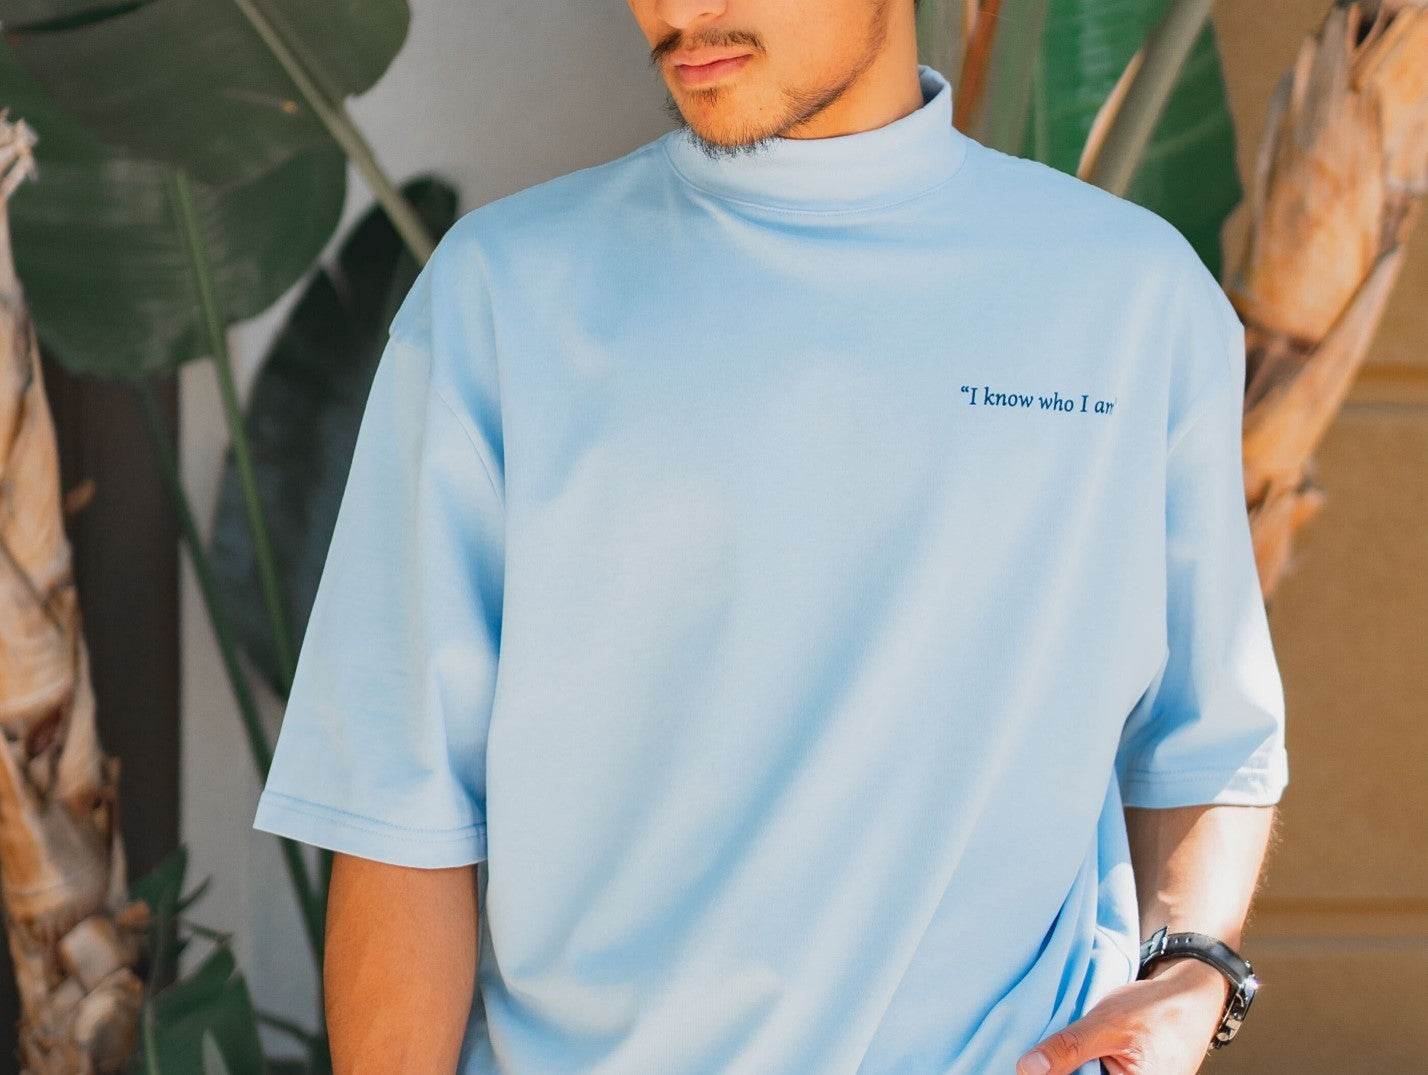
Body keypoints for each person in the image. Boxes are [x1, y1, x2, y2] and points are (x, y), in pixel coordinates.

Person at [251, 1, 1290, 1072]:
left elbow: (1206, 731)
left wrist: (1192, 976)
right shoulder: (502, 295)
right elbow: (401, 809)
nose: (677, 12)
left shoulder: (1132, 300)